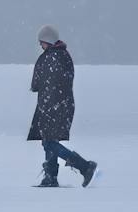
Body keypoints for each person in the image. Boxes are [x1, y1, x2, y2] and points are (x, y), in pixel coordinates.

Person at [29, 25, 99, 187]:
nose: (41, 45)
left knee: (49, 143)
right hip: (56, 105)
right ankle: (50, 177)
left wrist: (49, 104)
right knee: (49, 140)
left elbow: (48, 83)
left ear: (48, 41)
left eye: (42, 42)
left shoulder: (54, 57)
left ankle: (85, 166)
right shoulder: (60, 55)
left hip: (54, 106)